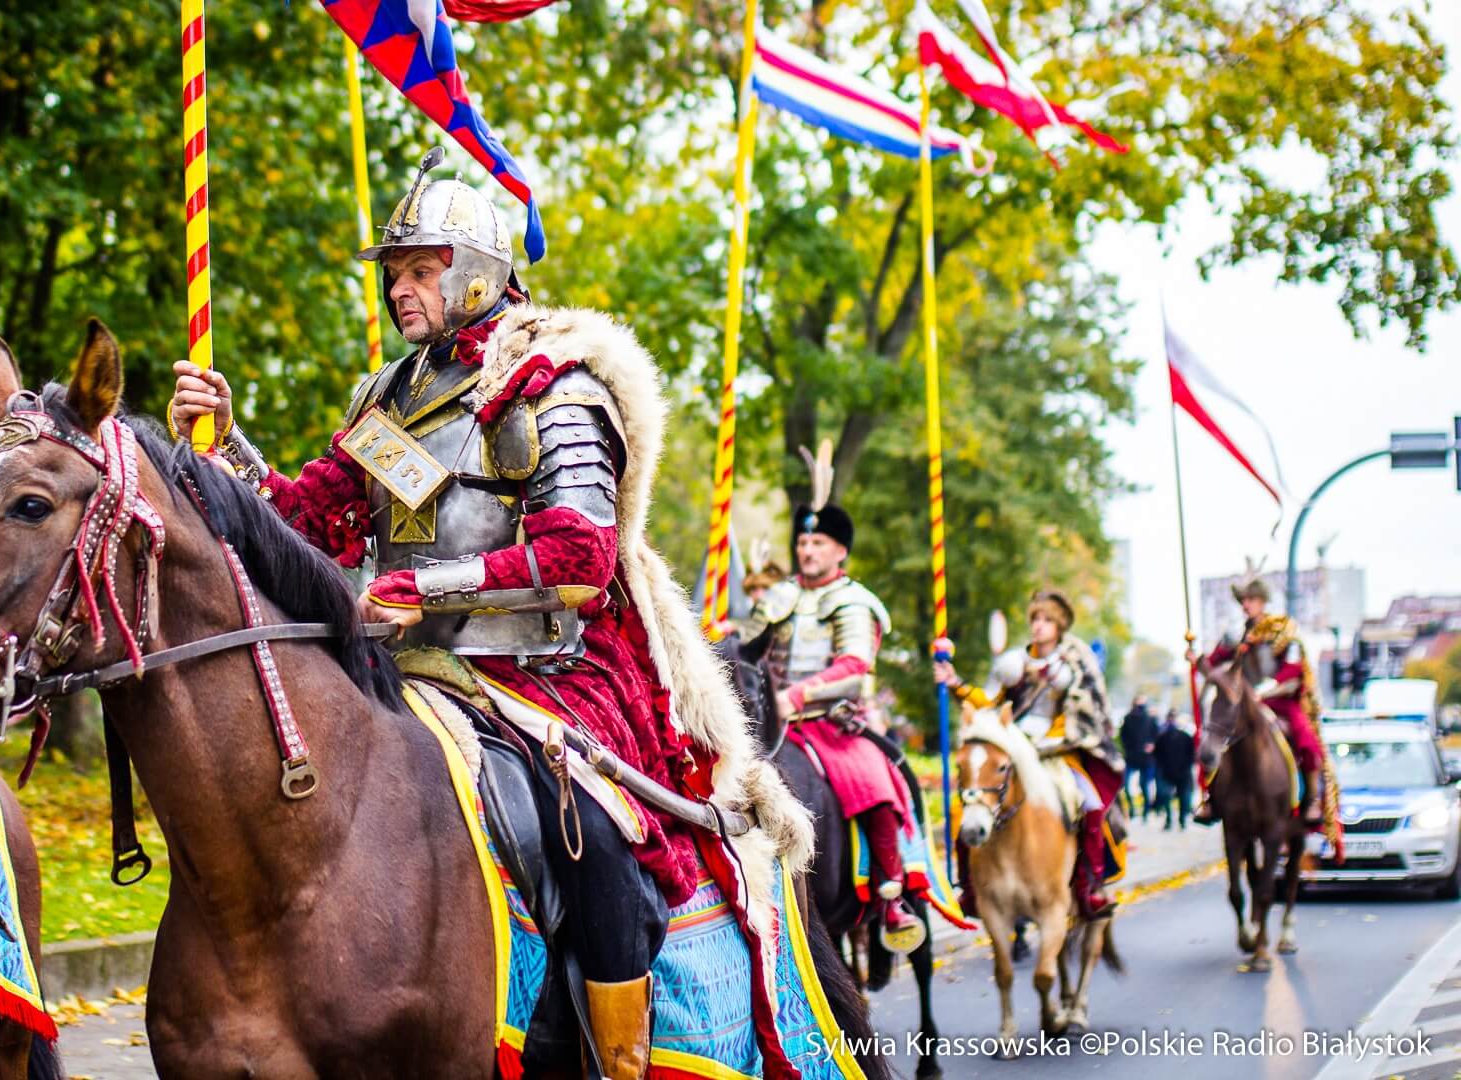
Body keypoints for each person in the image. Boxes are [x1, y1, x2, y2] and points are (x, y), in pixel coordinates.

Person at [168, 156, 809, 1079]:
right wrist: (227, 440)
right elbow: (306, 519)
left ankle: (620, 1055)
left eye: (420, 269)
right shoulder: (394, 396)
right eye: (394, 273)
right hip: (403, 666)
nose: (400, 289)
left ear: (474, 271)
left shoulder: (553, 386)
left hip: (543, 671)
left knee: (594, 838)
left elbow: (579, 563)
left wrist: (426, 590)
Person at [727, 454, 925, 953]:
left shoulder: (853, 600)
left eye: (817, 543)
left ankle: (891, 895)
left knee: (875, 782)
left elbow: (854, 666)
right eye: (802, 542)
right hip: (770, 724)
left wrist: (796, 695)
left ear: (840, 551)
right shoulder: (778, 597)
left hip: (831, 723)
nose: (807, 550)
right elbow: (748, 649)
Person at [937, 590, 1124, 920]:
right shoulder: (1014, 663)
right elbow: (989, 702)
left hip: (1057, 753)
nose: (1039, 625)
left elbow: (1080, 714)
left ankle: (1091, 884)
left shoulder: (1075, 664)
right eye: (1036, 618)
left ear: (1059, 626)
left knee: (1089, 803)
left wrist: (1049, 741)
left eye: (1047, 620)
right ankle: (970, 887)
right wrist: (956, 684)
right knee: (969, 804)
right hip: (1013, 749)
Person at [1189, 576, 1326, 826]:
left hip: (1279, 701)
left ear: (1262, 601)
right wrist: (1196, 659)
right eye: (1243, 600)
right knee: (1214, 737)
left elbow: (1292, 669)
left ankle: (1312, 799)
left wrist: (1263, 691)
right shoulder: (1235, 636)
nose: (1245, 605)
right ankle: (1212, 799)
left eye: (1250, 599)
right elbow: (1213, 665)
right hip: (1243, 705)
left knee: (1305, 741)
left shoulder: (1283, 631)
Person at [1153, 712, 1196, 830]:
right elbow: (1157, 755)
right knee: (1170, 796)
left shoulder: (1184, 737)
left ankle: (1179, 820)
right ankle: (1173, 820)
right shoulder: (1163, 737)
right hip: (1172, 772)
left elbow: (1191, 755)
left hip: (1179, 772)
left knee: (1181, 797)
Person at [1120, 694, 1158, 823]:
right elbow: (1123, 736)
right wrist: (1127, 748)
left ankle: (1145, 812)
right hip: (1131, 757)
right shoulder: (1128, 718)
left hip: (1146, 759)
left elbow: (1156, 736)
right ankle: (1132, 809)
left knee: (1144, 785)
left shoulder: (1150, 719)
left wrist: (1152, 745)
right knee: (1125, 785)